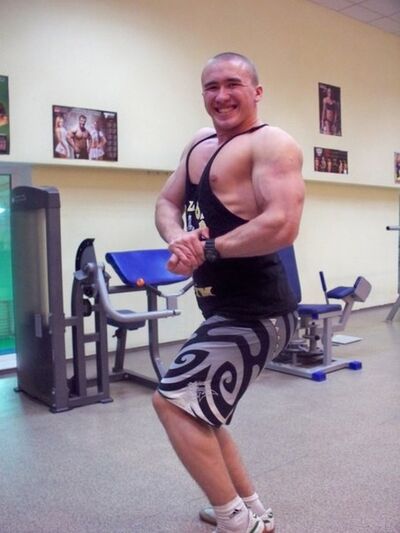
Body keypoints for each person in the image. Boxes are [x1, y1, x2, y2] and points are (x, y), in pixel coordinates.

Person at [153, 52, 304, 533]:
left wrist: (208, 250)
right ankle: (252, 508)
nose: (221, 95)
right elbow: (166, 202)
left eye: (233, 84)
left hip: (259, 312)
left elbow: (282, 224)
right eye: (211, 86)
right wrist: (179, 240)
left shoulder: (272, 143)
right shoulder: (199, 144)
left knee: (173, 401)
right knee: (202, 412)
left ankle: (235, 521)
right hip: (226, 308)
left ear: (256, 91)